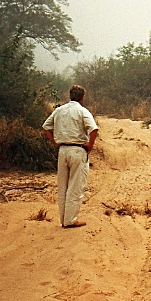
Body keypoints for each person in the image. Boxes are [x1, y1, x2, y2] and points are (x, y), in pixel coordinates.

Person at [43, 85, 99, 228]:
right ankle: (70, 220)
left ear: (70, 95)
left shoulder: (59, 110)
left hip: (63, 150)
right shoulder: (82, 111)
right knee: (76, 185)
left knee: (63, 185)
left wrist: (55, 142)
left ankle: (63, 219)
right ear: (82, 97)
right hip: (77, 150)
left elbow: (46, 127)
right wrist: (90, 145)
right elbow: (93, 129)